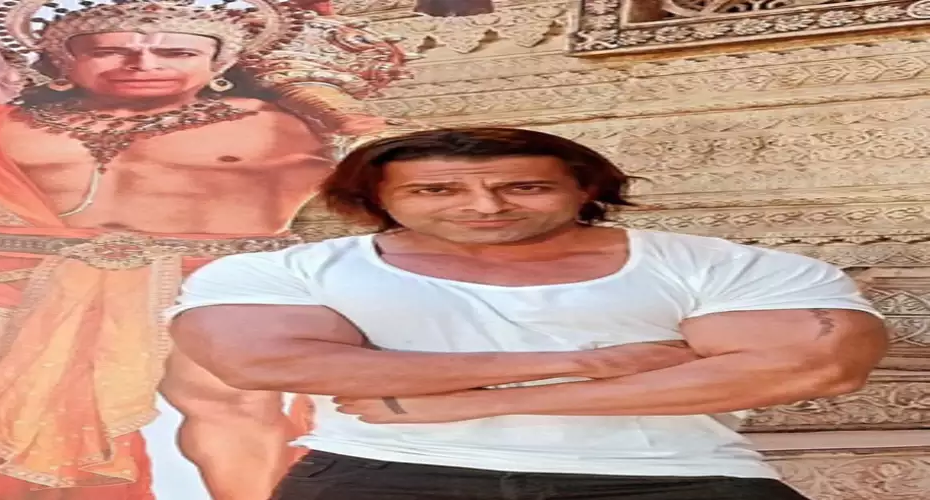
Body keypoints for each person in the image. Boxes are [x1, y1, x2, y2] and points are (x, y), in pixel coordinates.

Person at [169, 127, 889, 500]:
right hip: (385, 470)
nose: (484, 206)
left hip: (675, 476)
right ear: (377, 200)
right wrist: (584, 361)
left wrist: (462, 400)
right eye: (437, 191)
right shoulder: (287, 271)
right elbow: (263, 361)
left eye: (524, 187)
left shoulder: (712, 264)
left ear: (586, 190)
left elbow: (820, 366)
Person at [0, 0, 425, 498]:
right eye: (108, 51)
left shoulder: (294, 124)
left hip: (215, 279)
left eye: (177, 52)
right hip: (9, 271)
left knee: (234, 407)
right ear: (62, 61)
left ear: (220, 63)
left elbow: (408, 192)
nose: (143, 65)